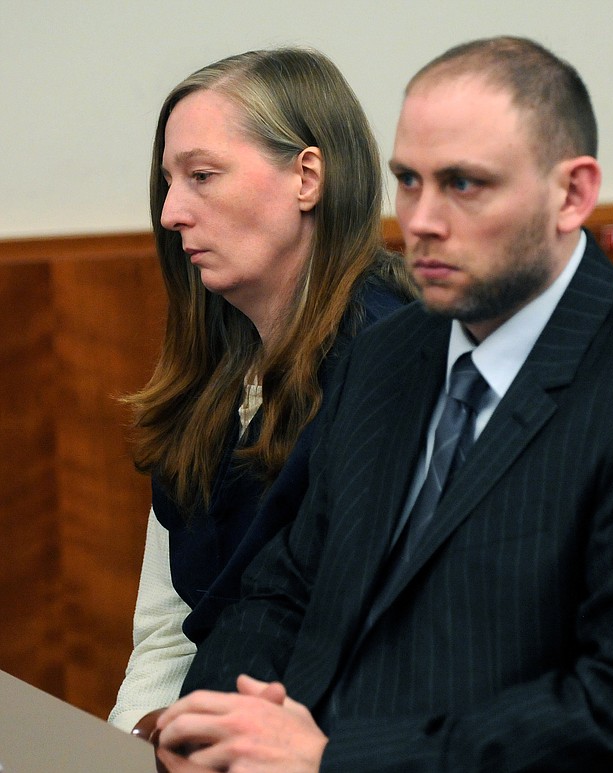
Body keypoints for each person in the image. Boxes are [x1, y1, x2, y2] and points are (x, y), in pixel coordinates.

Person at [152, 36, 613, 771]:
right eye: (409, 182)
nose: (421, 221)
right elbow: (281, 588)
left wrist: (338, 759)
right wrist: (214, 726)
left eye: (464, 185)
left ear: (571, 194)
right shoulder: (388, 358)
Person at [108, 48, 415, 733]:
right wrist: (130, 746)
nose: (171, 212)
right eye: (168, 182)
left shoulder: (394, 362)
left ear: (307, 177)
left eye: (203, 176)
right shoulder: (209, 377)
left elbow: (385, 644)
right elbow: (167, 632)